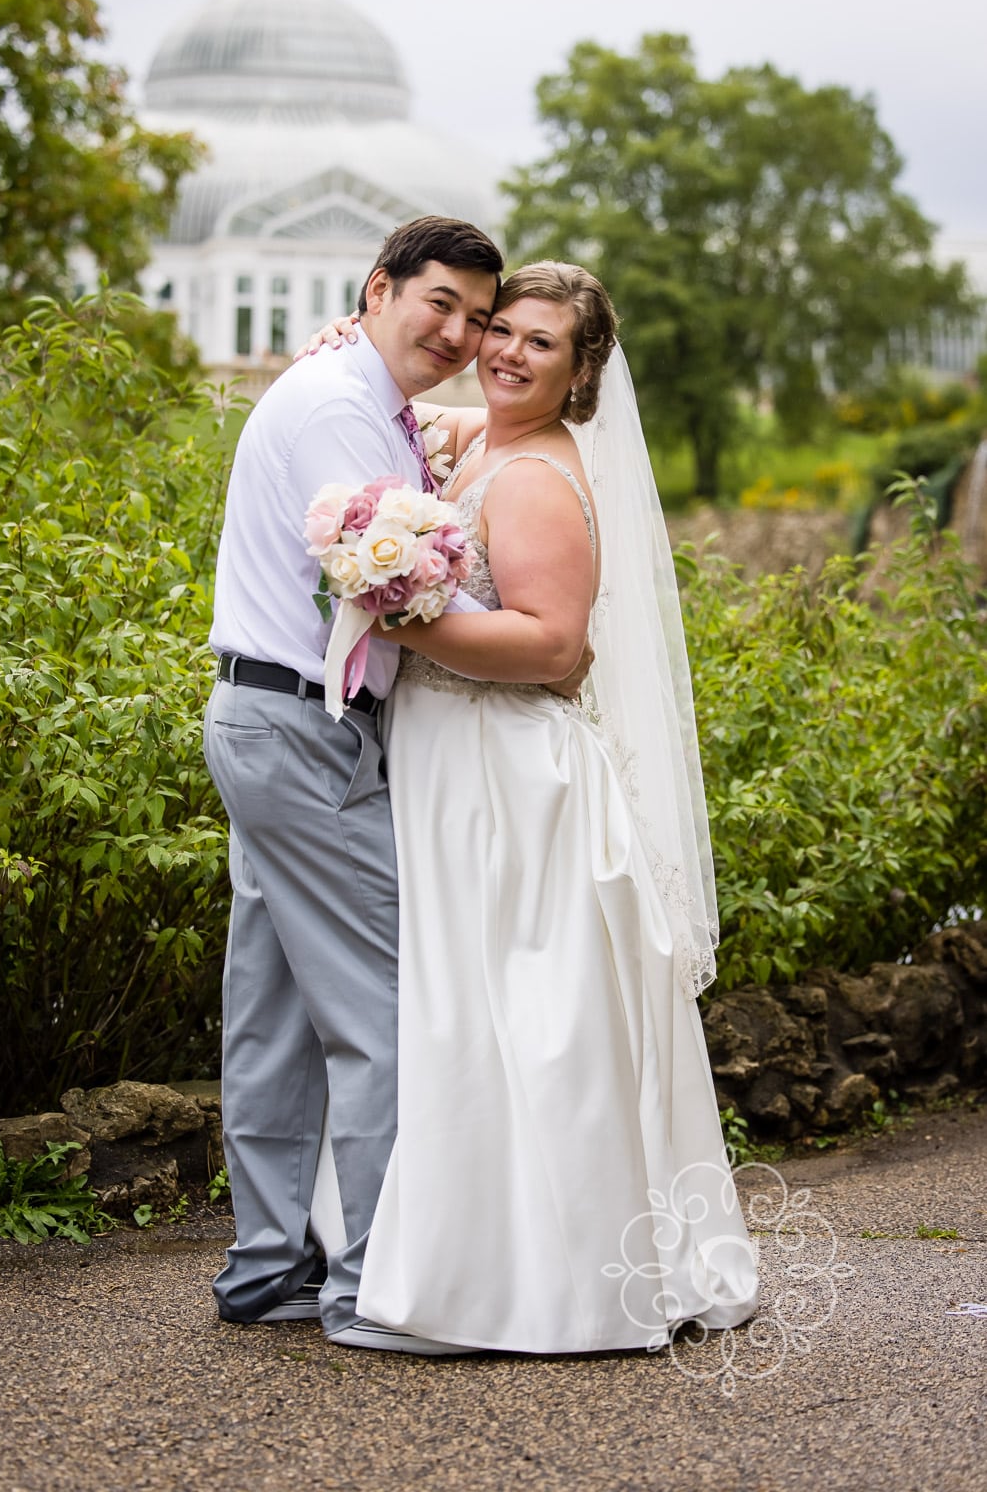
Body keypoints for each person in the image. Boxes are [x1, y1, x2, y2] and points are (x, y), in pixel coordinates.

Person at [305, 263, 759, 1352]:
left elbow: (554, 646)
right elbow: (416, 401)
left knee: (511, 1020)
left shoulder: (539, 480)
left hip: (504, 776)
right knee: (460, 1009)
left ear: (581, 370)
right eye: (497, 329)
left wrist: (397, 612)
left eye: (536, 344)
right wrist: (353, 344)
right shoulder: (487, 441)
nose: (504, 352)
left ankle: (533, 1282)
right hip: (452, 759)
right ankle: (463, 1258)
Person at [203, 216, 505, 1355]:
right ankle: (379, 1283)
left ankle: (270, 1266)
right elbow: (389, 586)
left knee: (277, 1011)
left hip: (269, 717)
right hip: (297, 729)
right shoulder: (340, 403)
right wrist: (532, 646)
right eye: (439, 303)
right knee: (381, 1006)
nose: (459, 332)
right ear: (379, 288)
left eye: (476, 318)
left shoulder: (356, 389)